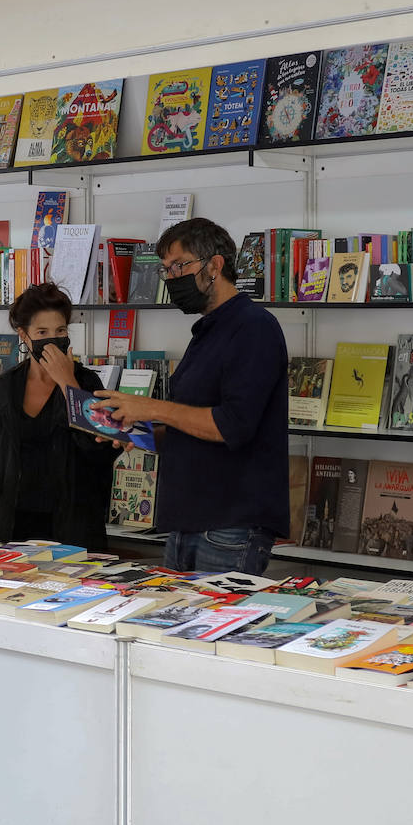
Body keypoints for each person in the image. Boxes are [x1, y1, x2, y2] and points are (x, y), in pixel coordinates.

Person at [95, 218, 289, 575]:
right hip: (186, 518)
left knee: (214, 614)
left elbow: (233, 425)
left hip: (230, 521)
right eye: (166, 270)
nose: (172, 279)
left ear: (215, 265)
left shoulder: (253, 327)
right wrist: (135, 432)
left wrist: (151, 407)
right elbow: (190, 426)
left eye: (180, 266)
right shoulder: (208, 330)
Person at [0, 282, 115, 551]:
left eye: (60, 331)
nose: (52, 339)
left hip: (73, 534)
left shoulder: (88, 384)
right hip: (8, 532)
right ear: (24, 335)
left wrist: (67, 383)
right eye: (42, 332)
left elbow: (101, 450)